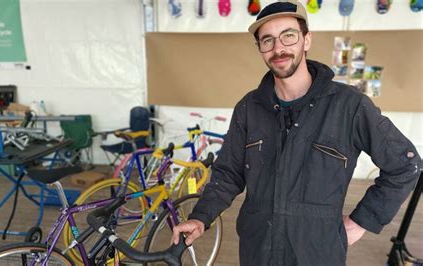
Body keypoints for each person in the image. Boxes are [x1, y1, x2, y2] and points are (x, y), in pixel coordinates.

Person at [172, 0, 422, 265]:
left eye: (288, 36)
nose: (278, 48)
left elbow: (406, 165)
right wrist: (201, 216)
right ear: (260, 49)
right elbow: (228, 173)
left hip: (317, 253)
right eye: (267, 40)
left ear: (306, 40)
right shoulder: (249, 108)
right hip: (258, 250)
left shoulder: (349, 106)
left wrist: (361, 222)